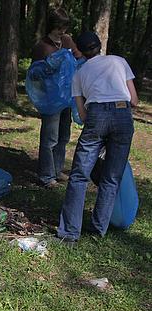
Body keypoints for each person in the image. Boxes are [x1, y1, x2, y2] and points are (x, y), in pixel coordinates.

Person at [56, 31, 139, 245]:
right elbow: (135, 100)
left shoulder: (79, 73)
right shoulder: (120, 61)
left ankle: (70, 233)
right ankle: (98, 230)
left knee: (79, 176)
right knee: (111, 178)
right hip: (123, 116)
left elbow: (82, 116)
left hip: (96, 116)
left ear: (81, 52)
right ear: (100, 45)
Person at [31, 8, 82, 188]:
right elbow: (35, 75)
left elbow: (78, 57)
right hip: (51, 99)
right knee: (50, 138)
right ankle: (46, 176)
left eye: (64, 27)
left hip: (67, 96)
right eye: (58, 28)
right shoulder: (42, 46)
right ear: (51, 26)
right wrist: (49, 67)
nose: (61, 32)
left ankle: (57, 169)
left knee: (63, 136)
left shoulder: (67, 41)